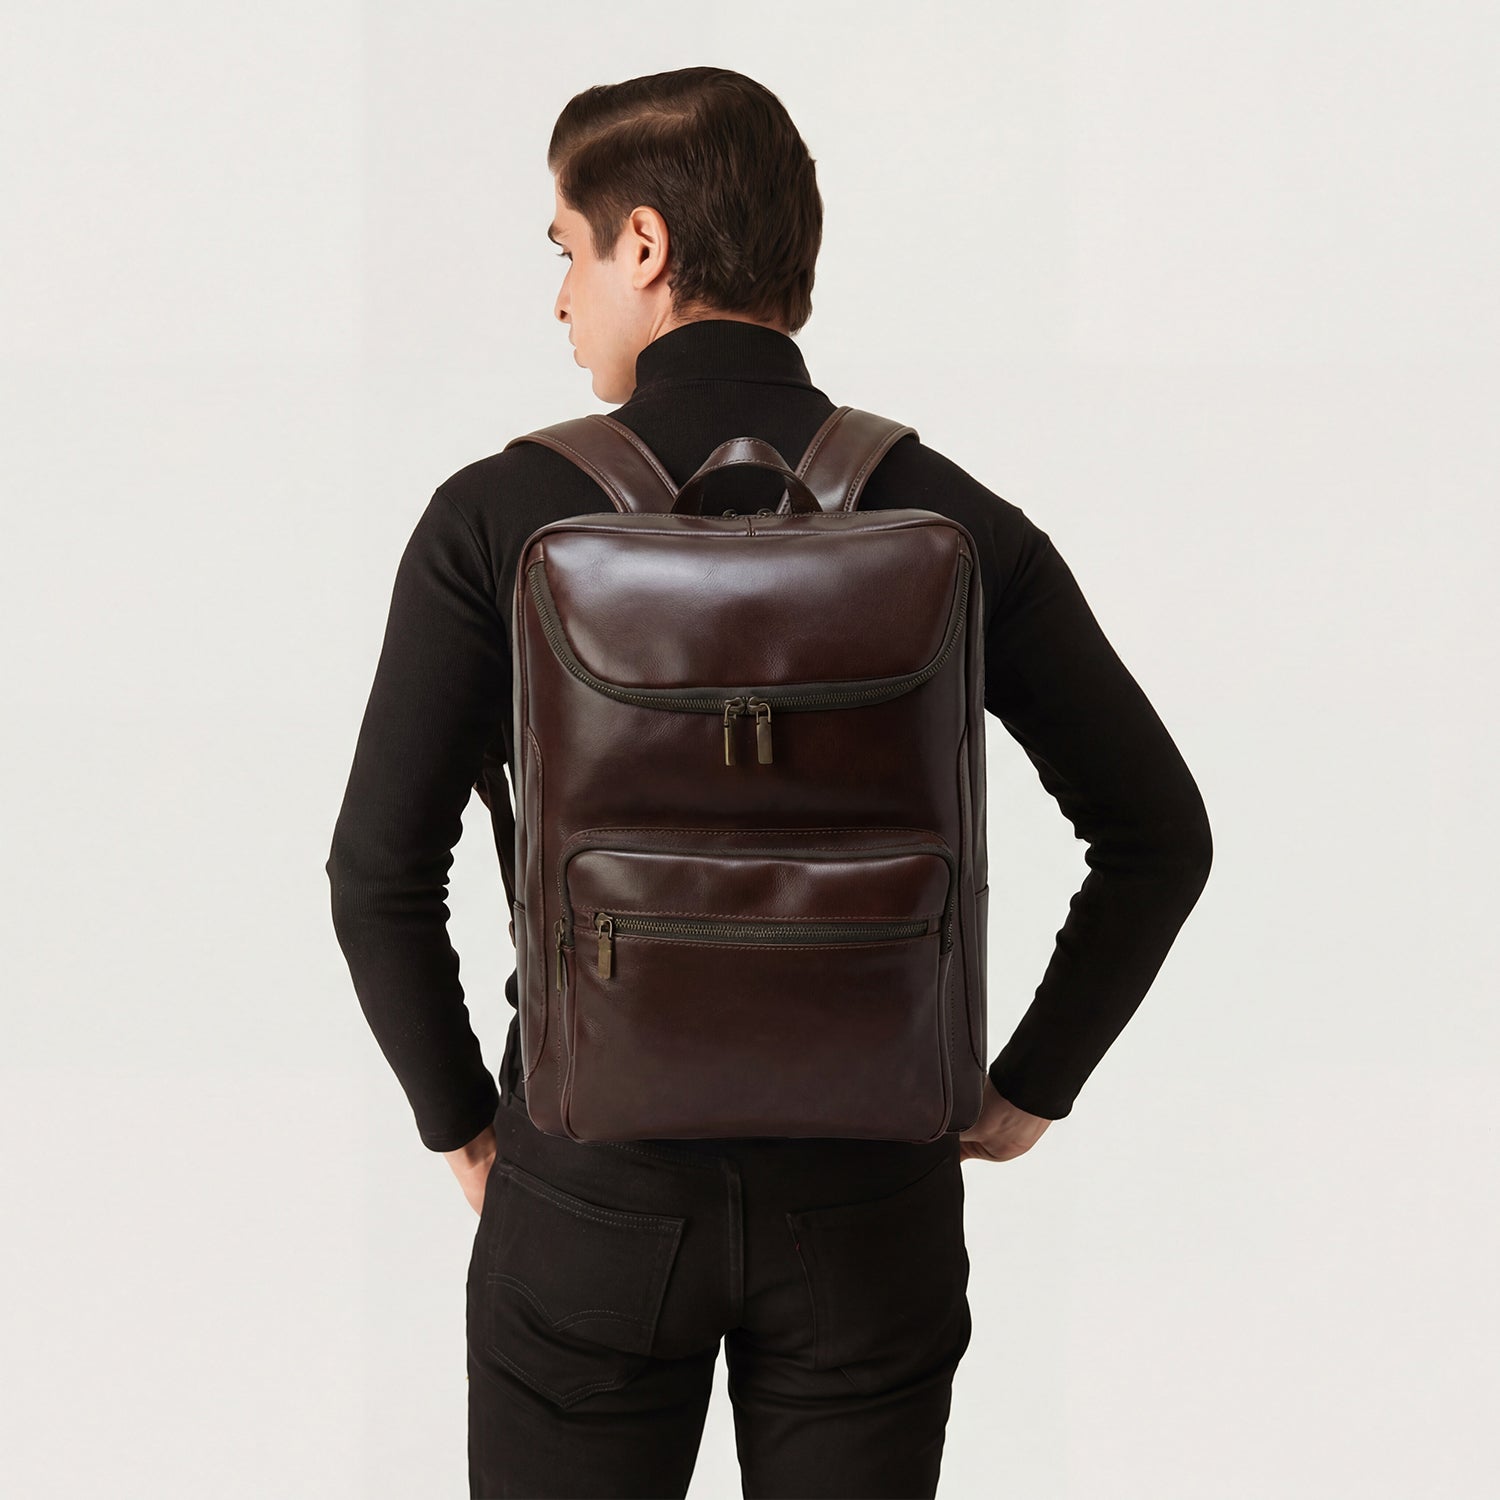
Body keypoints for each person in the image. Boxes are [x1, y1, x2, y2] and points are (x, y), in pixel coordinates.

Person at [325, 65, 1213, 1500]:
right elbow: (1159, 834)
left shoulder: (493, 516)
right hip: (869, 1205)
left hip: (590, 1192)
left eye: (567, 250)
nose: (560, 300)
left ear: (646, 245)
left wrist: (472, 1132)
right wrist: (1025, 1087)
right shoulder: (950, 516)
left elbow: (376, 875)